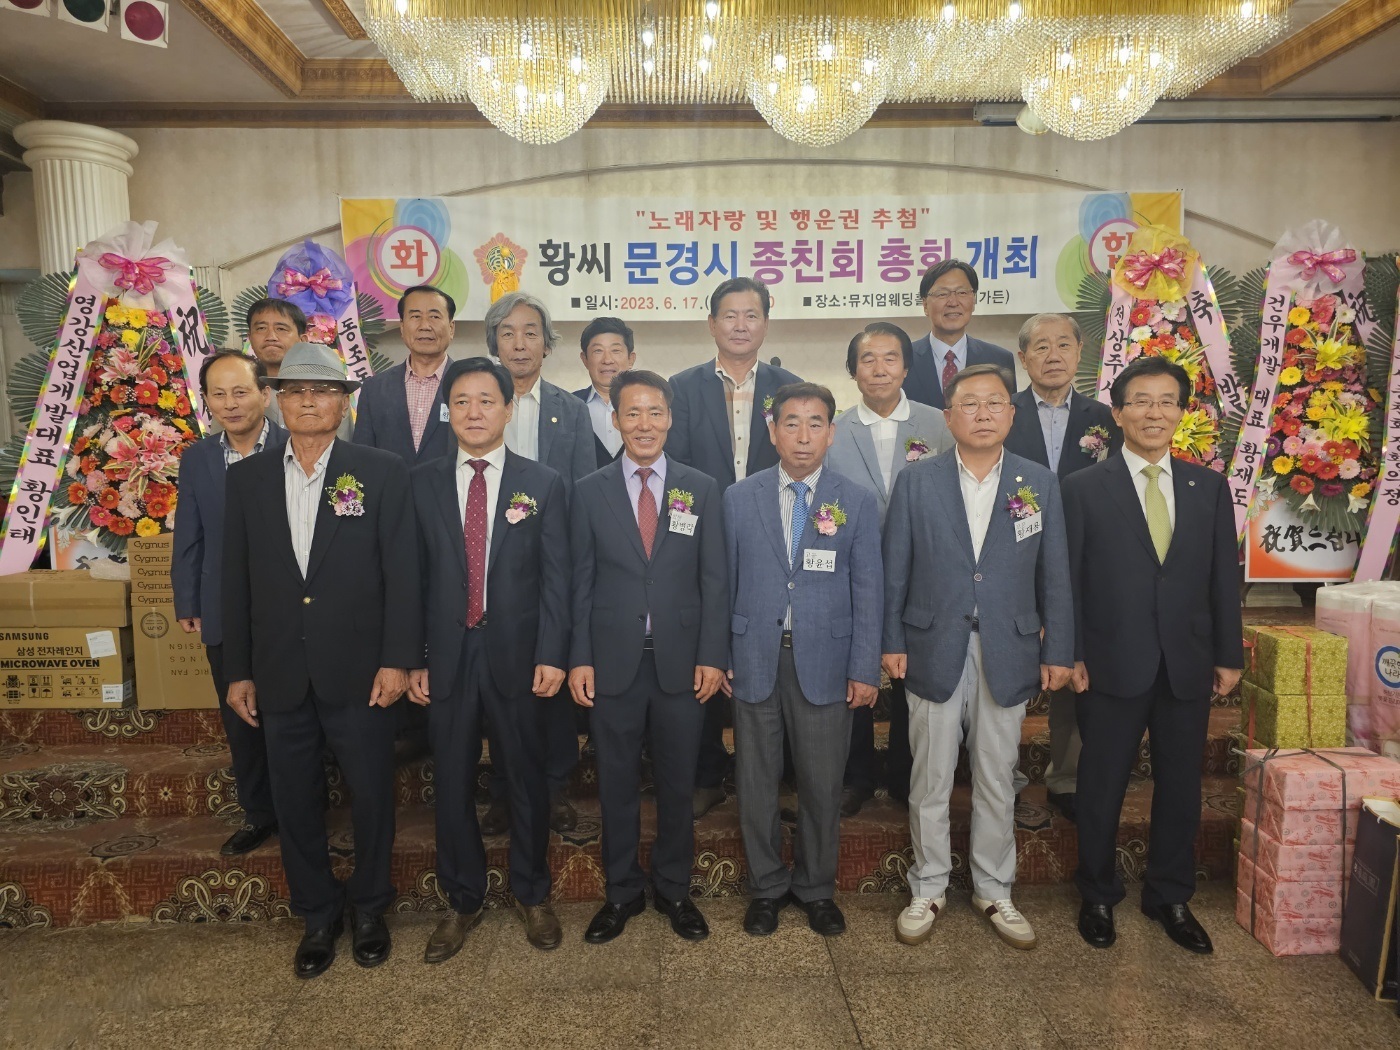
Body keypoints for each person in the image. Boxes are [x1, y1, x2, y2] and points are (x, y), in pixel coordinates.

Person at [222, 342, 423, 979]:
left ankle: (369, 907)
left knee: (371, 795)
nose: (309, 402)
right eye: (296, 392)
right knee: (294, 798)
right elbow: (235, 581)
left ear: (344, 402)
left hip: (362, 672)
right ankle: (316, 912)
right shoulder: (246, 479)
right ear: (277, 401)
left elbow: (404, 574)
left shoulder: (381, 471)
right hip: (279, 670)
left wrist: (398, 659)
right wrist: (238, 669)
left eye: (324, 391)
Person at [882, 363, 1073, 952]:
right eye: (970, 404)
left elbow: (1055, 575)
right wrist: (890, 641)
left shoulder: (1037, 481)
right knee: (930, 777)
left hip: (1008, 648)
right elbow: (895, 571)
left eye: (995, 403)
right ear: (949, 418)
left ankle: (994, 888)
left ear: (1012, 415)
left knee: (996, 775)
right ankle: (928, 886)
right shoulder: (917, 482)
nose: (983, 413)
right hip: (931, 645)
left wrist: (1059, 649)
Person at [1063, 356, 1242, 955]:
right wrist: (1071, 651)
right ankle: (1097, 893)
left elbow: (1223, 578)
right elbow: (1069, 581)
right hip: (1109, 660)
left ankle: (1170, 894)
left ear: (1181, 412)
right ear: (1117, 413)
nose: (1154, 412)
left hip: (1187, 660)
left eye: (1167, 401)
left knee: (1181, 784)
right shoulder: (1083, 488)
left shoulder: (1207, 487)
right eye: (1140, 401)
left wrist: (1228, 653)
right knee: (1101, 783)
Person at [409, 358, 570, 959]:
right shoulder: (420, 482)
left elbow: (557, 579)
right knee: (451, 780)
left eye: (485, 401)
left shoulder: (542, 483)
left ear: (507, 408)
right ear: (447, 411)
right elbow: (410, 580)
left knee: (525, 777)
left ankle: (533, 892)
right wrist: (413, 657)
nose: (473, 412)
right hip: (447, 656)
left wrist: (553, 652)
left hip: (519, 656)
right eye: (461, 401)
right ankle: (462, 898)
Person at [568, 370, 728, 944]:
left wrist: (712, 654)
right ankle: (621, 892)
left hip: (682, 664)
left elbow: (715, 579)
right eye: (632, 413)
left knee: (678, 784)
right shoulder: (588, 490)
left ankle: (675, 889)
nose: (644, 424)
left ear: (670, 419)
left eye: (654, 412)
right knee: (615, 784)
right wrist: (579, 657)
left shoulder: (700, 487)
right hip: (612, 662)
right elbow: (580, 583)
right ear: (614, 420)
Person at [725, 382, 882, 938]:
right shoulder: (738, 498)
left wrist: (864, 666)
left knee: (821, 784)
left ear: (831, 433)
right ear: (772, 431)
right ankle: (766, 887)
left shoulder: (855, 500)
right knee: (756, 782)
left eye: (816, 423)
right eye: (791, 423)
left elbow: (869, 589)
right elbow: (723, 583)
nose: (803, 435)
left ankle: (816, 888)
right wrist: (721, 655)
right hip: (754, 658)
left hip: (827, 662)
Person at [667, 277, 801, 819]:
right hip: (699, 538)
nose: (741, 325)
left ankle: (777, 774)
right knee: (703, 646)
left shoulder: (790, 387)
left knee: (771, 647)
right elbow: (674, 469)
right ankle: (706, 773)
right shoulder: (682, 387)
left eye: (751, 315)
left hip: (774, 538)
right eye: (730, 315)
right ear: (711, 323)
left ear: (766, 322)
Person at [826, 322, 952, 817]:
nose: (879, 368)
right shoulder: (833, 430)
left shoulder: (939, 424)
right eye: (867, 359)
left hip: (922, 574)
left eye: (890, 358)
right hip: (849, 574)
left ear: (906, 367)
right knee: (852, 672)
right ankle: (854, 776)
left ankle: (905, 772)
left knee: (911, 675)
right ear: (853, 370)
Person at [1003, 313, 1123, 824]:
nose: (1053, 355)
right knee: (1005, 669)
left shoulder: (1108, 418)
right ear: (1023, 357)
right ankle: (1003, 777)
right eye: (1041, 346)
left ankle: (1066, 777)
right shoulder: (1002, 412)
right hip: (1010, 556)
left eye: (1063, 345)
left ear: (1079, 353)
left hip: (1085, 559)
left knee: (1074, 662)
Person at [484, 289, 596, 835]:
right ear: (493, 344)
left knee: (550, 675)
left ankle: (555, 790)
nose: (520, 343)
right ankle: (503, 792)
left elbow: (582, 491)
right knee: (498, 684)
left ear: (547, 345)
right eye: (508, 333)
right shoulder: (476, 402)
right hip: (489, 566)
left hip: (552, 563)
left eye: (531, 332)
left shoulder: (570, 410)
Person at [172, 350, 287, 857]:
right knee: (241, 717)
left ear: (265, 394)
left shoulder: (293, 445)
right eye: (218, 394)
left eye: (241, 392)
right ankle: (259, 813)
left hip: (286, 608)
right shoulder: (198, 458)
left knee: (292, 714)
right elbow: (189, 533)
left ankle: (302, 808)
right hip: (223, 606)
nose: (230, 403)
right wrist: (187, 598)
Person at [352, 284, 456, 467]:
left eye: (434, 316)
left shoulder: (468, 385)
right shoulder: (374, 389)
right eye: (415, 316)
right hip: (388, 486)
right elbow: (361, 457)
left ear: (451, 328)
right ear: (401, 327)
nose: (425, 326)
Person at [902, 260, 1017, 410]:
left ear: (973, 300)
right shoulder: (903, 359)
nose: (953, 302)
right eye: (942, 294)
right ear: (925, 305)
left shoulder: (999, 359)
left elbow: (1006, 417)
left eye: (962, 293)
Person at [245, 297, 351, 440]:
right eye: (261, 328)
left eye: (281, 329)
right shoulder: (238, 393)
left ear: (303, 340)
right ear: (250, 338)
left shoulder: (329, 392)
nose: (271, 336)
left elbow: (342, 445)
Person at [574, 316, 635, 469]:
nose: (607, 360)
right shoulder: (569, 406)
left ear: (631, 359)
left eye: (616, 350)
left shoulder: (648, 408)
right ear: (585, 359)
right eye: (598, 351)